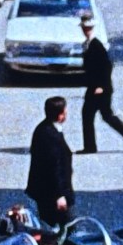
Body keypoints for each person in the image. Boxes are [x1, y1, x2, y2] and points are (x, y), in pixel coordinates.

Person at [77, 11, 123, 154]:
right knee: (104, 115)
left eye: (88, 28)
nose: (86, 31)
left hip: (100, 88)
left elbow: (106, 66)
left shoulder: (96, 45)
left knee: (91, 114)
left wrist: (101, 86)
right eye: (84, 28)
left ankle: (91, 146)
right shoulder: (87, 44)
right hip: (95, 86)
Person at [26, 96, 75, 228]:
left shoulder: (45, 129)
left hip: (46, 192)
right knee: (68, 227)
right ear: (60, 115)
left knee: (56, 226)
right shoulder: (49, 135)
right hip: (51, 194)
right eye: (65, 111)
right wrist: (59, 195)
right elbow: (54, 168)